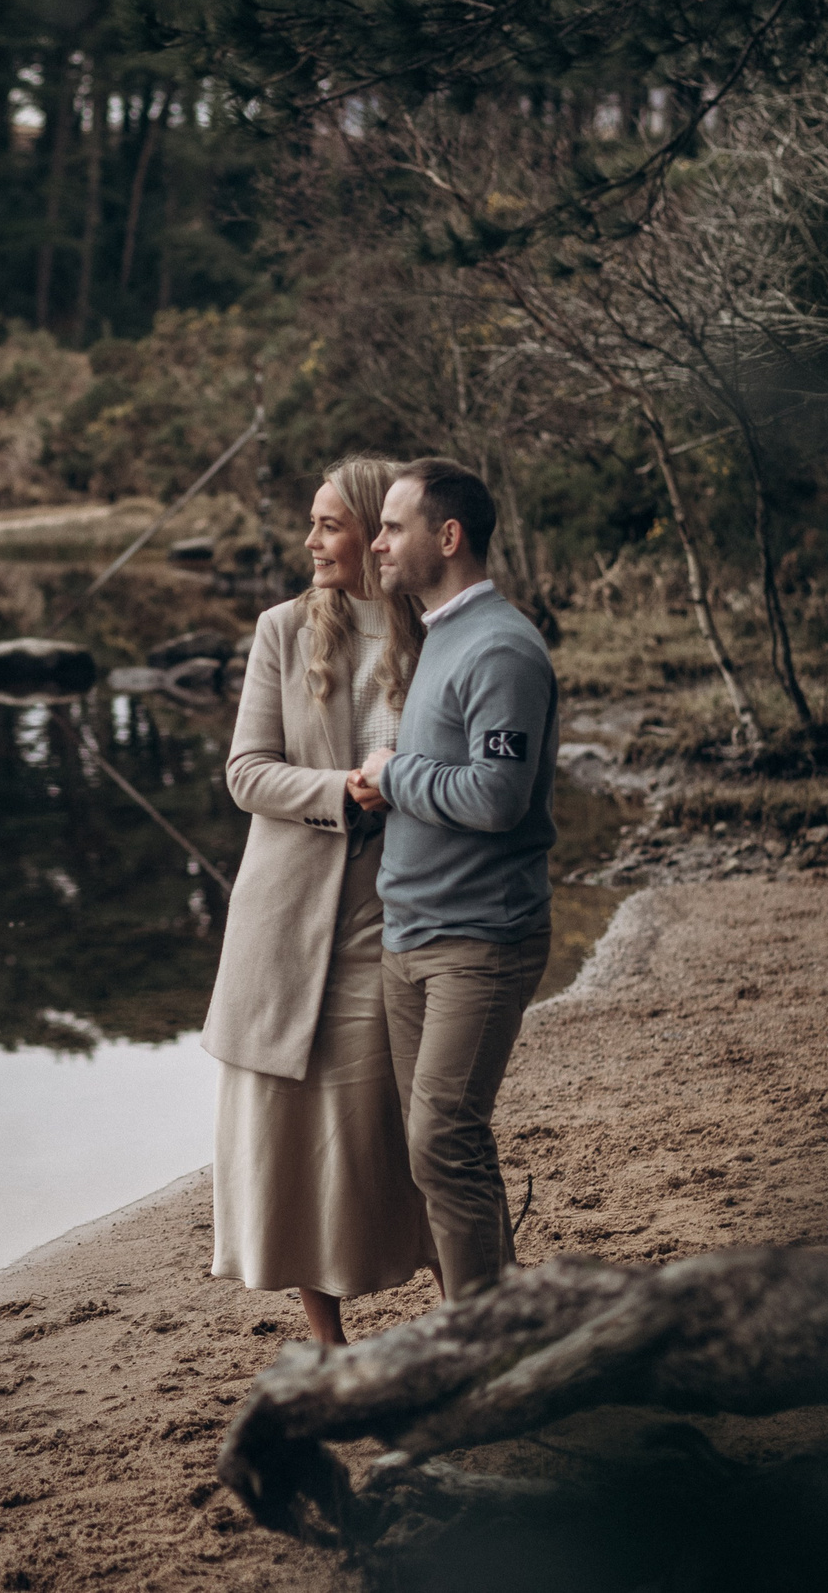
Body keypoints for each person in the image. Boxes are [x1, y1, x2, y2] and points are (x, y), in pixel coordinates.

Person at [201, 456, 432, 1347]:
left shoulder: (436, 634)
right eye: (312, 522)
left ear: (379, 532)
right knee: (293, 1132)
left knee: (414, 1126)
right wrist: (341, 789)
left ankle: (473, 1322)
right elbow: (246, 771)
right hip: (292, 918)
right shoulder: (283, 631)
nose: (311, 541)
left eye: (330, 524)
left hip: (409, 908)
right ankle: (333, 1350)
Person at [355, 457, 558, 1303]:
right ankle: (499, 1331)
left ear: (449, 537)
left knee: (444, 1140)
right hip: (412, 935)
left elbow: (498, 796)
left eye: (393, 526)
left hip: (481, 940)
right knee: (436, 1146)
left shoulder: (503, 647)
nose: (377, 541)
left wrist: (395, 773)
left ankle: (485, 1354)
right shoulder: (440, 632)